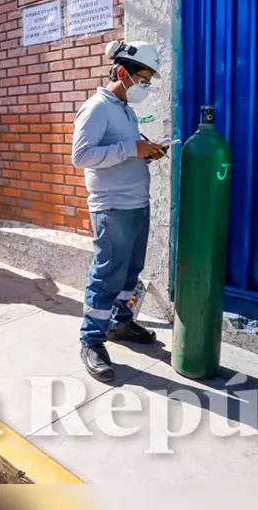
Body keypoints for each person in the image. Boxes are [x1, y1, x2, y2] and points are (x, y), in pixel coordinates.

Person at [71, 40, 167, 384]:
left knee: (130, 271)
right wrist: (131, 149)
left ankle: (119, 323)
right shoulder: (97, 107)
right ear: (122, 72)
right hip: (112, 206)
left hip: (136, 202)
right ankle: (92, 340)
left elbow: (124, 151)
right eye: (143, 78)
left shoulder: (125, 109)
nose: (146, 86)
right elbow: (80, 156)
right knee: (108, 273)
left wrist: (145, 152)